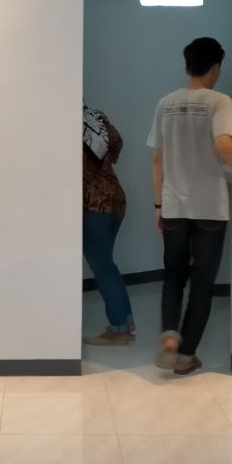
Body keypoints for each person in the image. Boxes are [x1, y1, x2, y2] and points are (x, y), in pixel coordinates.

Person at [148, 37, 232, 374]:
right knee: (203, 282)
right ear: (215, 67)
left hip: (174, 205)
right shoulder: (219, 101)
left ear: (187, 65)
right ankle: (185, 355)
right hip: (210, 207)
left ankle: (169, 336)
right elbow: (224, 145)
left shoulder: (166, 103)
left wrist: (158, 205)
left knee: (173, 277)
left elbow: (157, 159)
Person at [83, 102, 135, 346]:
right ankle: (125, 320)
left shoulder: (71, 126)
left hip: (94, 203)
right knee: (107, 265)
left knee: (102, 266)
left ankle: (118, 328)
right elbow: (117, 146)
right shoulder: (97, 118)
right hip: (115, 198)